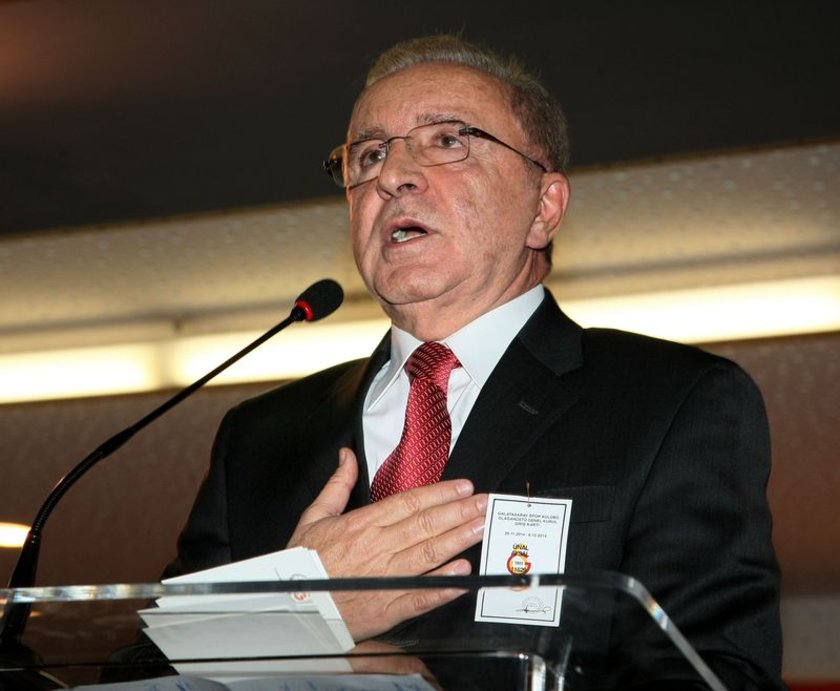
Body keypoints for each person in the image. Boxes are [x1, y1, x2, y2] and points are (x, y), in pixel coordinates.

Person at [169, 35, 783, 689]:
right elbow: (140, 668)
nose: (392, 176)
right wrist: (296, 610)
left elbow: (719, 677)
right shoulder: (260, 437)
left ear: (543, 207)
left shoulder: (671, 401)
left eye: (447, 140)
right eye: (370, 155)